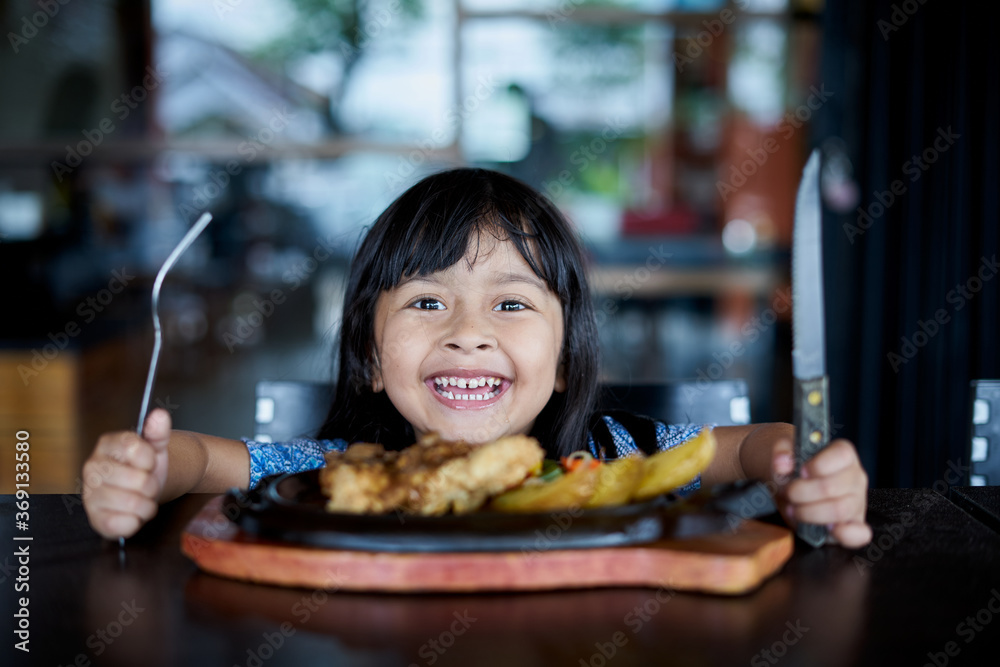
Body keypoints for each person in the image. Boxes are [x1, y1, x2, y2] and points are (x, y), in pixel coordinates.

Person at [82, 168, 872, 548]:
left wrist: (795, 463)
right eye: (427, 302)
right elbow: (202, 462)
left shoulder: (618, 456)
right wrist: (149, 471)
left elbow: (742, 447)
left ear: (565, 358)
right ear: (367, 352)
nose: (468, 331)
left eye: (512, 302)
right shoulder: (338, 473)